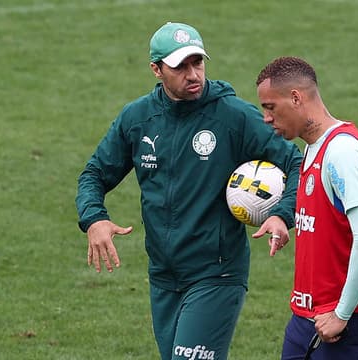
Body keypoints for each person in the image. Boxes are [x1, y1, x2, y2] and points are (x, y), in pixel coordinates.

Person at [75, 23, 302, 360]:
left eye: (198, 62)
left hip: (217, 274)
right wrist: (94, 219)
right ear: (156, 70)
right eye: (180, 66)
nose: (193, 73)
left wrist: (283, 215)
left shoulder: (234, 117)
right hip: (164, 278)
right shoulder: (138, 119)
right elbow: (94, 174)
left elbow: (297, 163)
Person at [256, 57, 358, 360]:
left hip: (340, 325)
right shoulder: (313, 147)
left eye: (270, 107)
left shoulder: (342, 153)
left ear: (296, 98)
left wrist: (341, 313)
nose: (266, 117)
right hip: (306, 316)